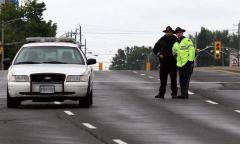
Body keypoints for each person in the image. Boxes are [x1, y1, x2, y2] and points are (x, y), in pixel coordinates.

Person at [153, 26, 178, 99]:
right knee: (163, 79)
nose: (168, 33)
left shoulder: (175, 40)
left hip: (173, 62)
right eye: (167, 32)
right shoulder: (161, 39)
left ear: (172, 32)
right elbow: (155, 49)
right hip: (163, 62)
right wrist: (158, 54)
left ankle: (174, 94)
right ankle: (161, 94)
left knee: (173, 79)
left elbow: (179, 49)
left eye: (169, 32)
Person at [172, 27, 196, 99]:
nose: (178, 34)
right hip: (180, 64)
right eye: (177, 33)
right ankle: (183, 93)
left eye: (179, 32)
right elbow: (174, 51)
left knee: (186, 79)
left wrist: (190, 61)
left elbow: (192, 50)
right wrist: (175, 56)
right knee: (181, 79)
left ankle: (185, 94)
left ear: (182, 33)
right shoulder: (176, 43)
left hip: (188, 63)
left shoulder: (187, 41)